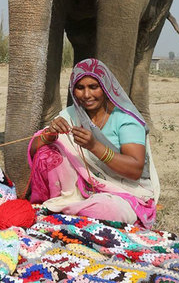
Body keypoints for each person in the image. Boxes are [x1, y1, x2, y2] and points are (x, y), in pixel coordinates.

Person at [28, 58, 159, 228]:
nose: (87, 95)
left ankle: (66, 213)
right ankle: (69, 208)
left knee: (106, 210)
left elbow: (134, 170)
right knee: (48, 154)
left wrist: (94, 146)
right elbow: (33, 150)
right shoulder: (70, 115)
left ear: (105, 87)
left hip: (123, 193)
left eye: (93, 87)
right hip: (79, 191)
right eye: (80, 88)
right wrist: (49, 135)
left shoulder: (125, 119)